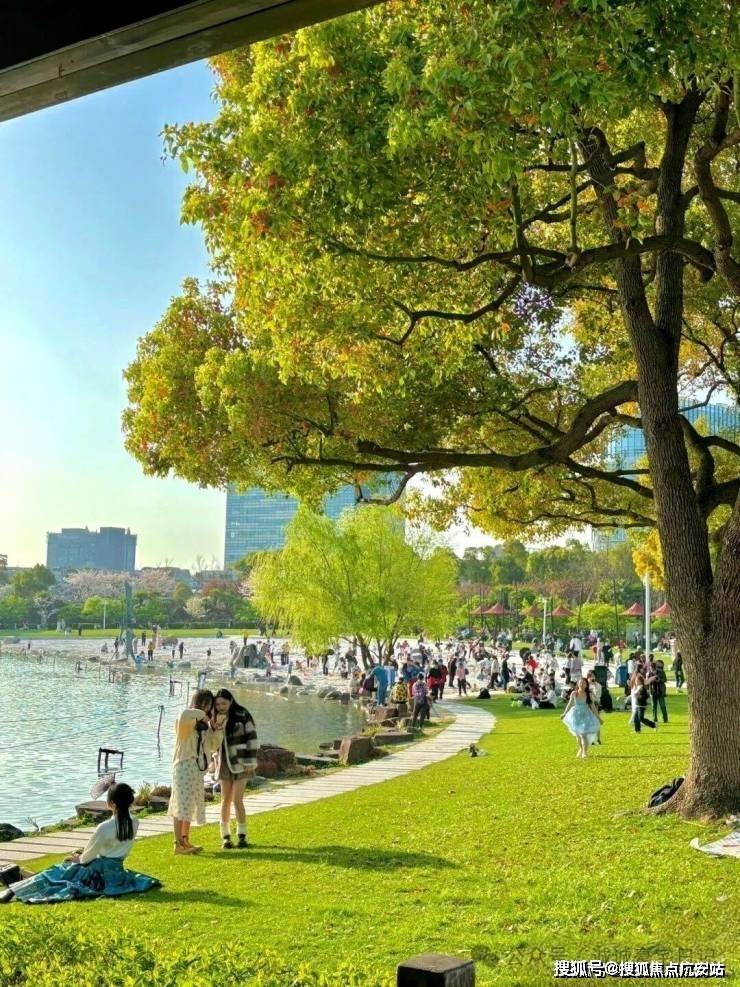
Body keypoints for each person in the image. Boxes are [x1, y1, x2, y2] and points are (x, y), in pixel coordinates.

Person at [1, 783, 159, 904]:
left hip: (99, 872)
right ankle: (17, 880)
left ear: (112, 803)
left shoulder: (105, 827)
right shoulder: (134, 821)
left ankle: (13, 889)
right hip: (116, 871)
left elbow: (87, 857)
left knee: (57, 872)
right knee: (61, 871)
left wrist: (77, 858)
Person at [169, 689, 224, 855]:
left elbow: (213, 746)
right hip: (184, 765)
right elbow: (186, 714)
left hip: (197, 769)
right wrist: (204, 715)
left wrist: (217, 729)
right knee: (180, 804)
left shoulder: (204, 725)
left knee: (190, 804)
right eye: (205, 703)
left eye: (209, 704)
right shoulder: (186, 718)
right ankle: (177, 843)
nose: (207, 707)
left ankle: (185, 840)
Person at [213, 689, 258, 849]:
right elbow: (212, 742)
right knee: (225, 800)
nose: (220, 707)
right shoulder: (216, 718)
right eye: (218, 704)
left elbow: (252, 738)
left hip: (242, 762)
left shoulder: (242, 714)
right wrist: (217, 726)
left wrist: (250, 761)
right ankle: (225, 837)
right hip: (224, 762)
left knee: (237, 799)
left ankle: (242, 835)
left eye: (224, 703)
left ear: (231, 701)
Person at [560, 677, 602, 758]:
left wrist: (598, 718)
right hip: (576, 716)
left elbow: (593, 707)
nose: (582, 685)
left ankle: (584, 752)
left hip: (586, 715)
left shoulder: (588, 695)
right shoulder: (574, 693)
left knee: (583, 734)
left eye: (584, 683)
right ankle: (581, 748)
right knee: (578, 735)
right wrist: (564, 714)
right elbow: (569, 704)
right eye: (580, 683)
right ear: (578, 684)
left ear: (586, 685)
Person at [648, 659, 669, 724]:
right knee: (654, 706)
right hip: (653, 691)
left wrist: (659, 680)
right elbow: (648, 682)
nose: (652, 670)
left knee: (662, 706)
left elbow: (665, 680)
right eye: (651, 669)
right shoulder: (650, 673)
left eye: (653, 669)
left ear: (655, 668)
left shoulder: (661, 672)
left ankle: (665, 719)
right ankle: (655, 719)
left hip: (660, 691)